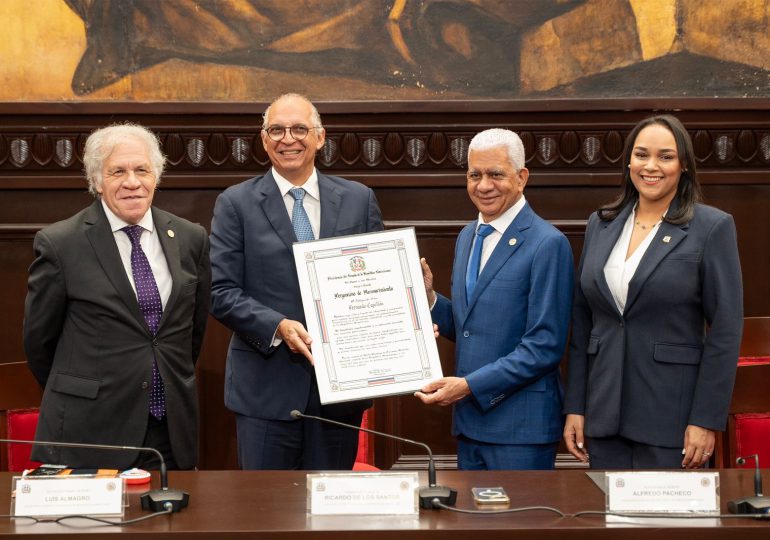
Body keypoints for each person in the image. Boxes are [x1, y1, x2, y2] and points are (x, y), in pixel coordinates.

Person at [210, 93, 383, 470]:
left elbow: (375, 284)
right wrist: (278, 326)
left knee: (331, 516)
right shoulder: (235, 203)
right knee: (268, 517)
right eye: (277, 130)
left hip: (339, 393)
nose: (288, 139)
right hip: (264, 392)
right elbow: (220, 292)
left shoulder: (359, 200)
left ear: (320, 137)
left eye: (299, 129)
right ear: (263, 139)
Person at [24, 123, 211, 470]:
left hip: (168, 429)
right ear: (97, 181)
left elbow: (191, 334)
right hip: (90, 430)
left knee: (171, 525)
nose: (132, 182)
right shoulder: (61, 243)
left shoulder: (190, 238)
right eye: (117, 172)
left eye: (142, 170)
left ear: (156, 176)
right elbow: (39, 342)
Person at [563, 115, 743, 469]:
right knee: (608, 521)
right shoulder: (602, 222)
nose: (651, 166)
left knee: (667, 525)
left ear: (684, 165)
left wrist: (705, 420)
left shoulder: (711, 227)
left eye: (665, 156)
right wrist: (576, 406)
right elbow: (582, 324)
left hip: (671, 420)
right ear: (628, 160)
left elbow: (725, 330)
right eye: (642, 154)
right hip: (603, 415)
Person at [418, 128, 574, 470]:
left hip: (521, 429)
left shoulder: (548, 244)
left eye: (495, 174)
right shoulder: (467, 236)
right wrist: (430, 299)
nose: (483, 185)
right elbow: (472, 326)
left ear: (521, 178)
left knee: (519, 524)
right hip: (470, 426)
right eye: (475, 175)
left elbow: (545, 346)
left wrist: (469, 386)